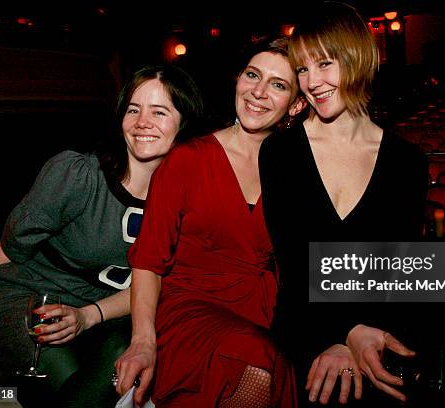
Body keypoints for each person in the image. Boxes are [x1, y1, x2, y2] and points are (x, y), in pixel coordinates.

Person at [0, 64, 205, 408]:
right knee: (66, 385)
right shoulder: (79, 175)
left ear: (184, 124)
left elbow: (158, 282)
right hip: (34, 298)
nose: (142, 122)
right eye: (133, 110)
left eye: (159, 112)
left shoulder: (189, 200)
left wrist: (89, 314)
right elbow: (16, 243)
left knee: (125, 361)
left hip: (106, 311)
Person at [114, 37, 307, 408]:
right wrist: (142, 341)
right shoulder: (187, 160)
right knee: (255, 365)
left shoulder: (296, 171)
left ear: (296, 104)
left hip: (266, 312)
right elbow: (148, 260)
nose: (258, 92)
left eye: (278, 84)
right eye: (252, 75)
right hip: (190, 309)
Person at [259, 2, 429, 406]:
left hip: (380, 330)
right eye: (303, 69)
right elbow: (297, 266)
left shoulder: (407, 162)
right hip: (302, 331)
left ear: (356, 60)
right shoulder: (281, 152)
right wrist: (341, 335)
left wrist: (362, 334)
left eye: (324, 64)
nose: (312, 81)